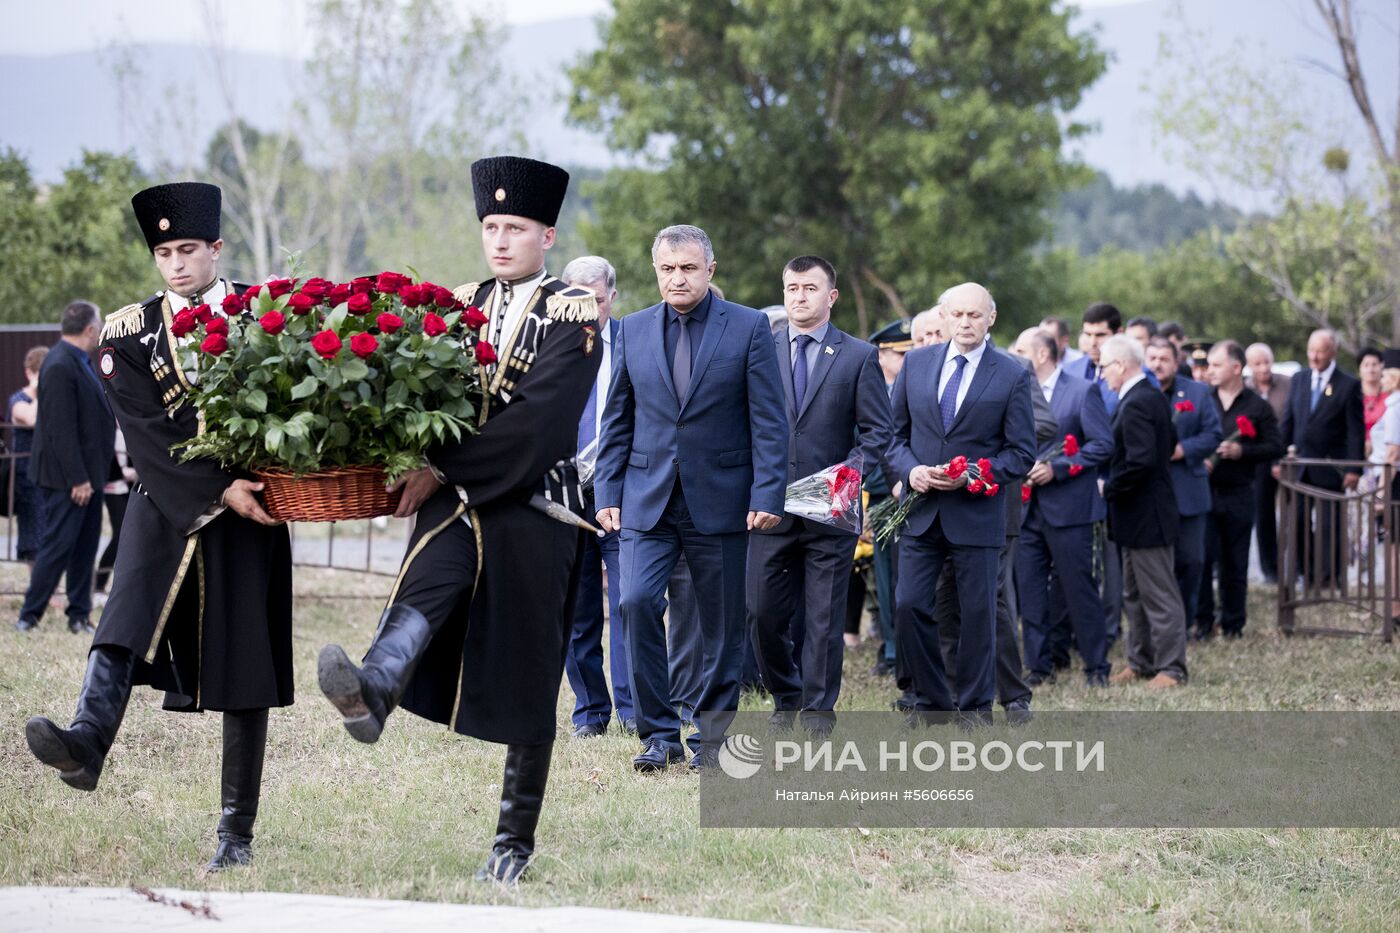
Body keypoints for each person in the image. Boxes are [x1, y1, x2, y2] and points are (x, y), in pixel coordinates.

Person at [317, 156, 601, 884]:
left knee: (532, 675)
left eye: (515, 227)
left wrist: (443, 466)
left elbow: (541, 423)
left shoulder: (573, 311)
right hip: (458, 499)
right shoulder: (454, 302)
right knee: (426, 585)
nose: (500, 240)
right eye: (490, 226)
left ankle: (512, 841)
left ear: (548, 232)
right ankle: (374, 686)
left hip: (537, 507)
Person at [24, 181, 291, 873]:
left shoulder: (265, 313)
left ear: (216, 249)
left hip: (253, 504)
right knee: (123, 619)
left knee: (244, 667)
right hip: (164, 495)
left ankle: (236, 834)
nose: (176, 263)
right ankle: (86, 744)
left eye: (188, 249)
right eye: (164, 251)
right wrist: (215, 486)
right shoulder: (127, 330)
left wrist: (246, 484)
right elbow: (144, 433)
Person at [595, 224, 787, 772]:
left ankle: (712, 737)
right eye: (667, 269)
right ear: (656, 271)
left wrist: (767, 491)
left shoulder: (749, 328)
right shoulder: (631, 330)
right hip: (645, 498)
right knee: (633, 605)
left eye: (687, 268)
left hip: (723, 500)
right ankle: (658, 735)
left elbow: (769, 422)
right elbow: (618, 421)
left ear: (709, 270)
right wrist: (608, 490)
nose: (677, 278)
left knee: (722, 624)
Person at [747, 255, 891, 736]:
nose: (799, 296)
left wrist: (848, 477)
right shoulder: (759, 346)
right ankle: (785, 695)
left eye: (809, 288)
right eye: (791, 288)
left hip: (831, 509)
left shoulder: (858, 355)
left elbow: (877, 432)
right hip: (769, 506)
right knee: (762, 613)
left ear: (830, 296)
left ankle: (816, 713)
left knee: (825, 618)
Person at [886, 282, 1035, 721]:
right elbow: (894, 437)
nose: (965, 322)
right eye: (957, 315)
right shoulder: (915, 364)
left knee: (977, 615)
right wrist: (910, 470)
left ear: (991, 318)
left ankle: (974, 707)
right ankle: (931, 702)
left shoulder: (1012, 372)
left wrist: (970, 474)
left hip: (977, 514)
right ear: (944, 318)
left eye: (974, 315)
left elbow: (1021, 452)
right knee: (909, 604)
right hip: (921, 511)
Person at [558, 255, 633, 738]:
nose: (590, 314)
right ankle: (590, 712)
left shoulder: (635, 341)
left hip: (624, 492)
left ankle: (634, 709)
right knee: (576, 608)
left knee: (633, 603)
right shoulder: (546, 347)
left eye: (599, 303)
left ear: (613, 297)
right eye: (580, 303)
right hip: (564, 493)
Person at [1013, 327, 1114, 686]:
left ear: (1041, 354)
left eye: (1020, 349)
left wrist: (1057, 469)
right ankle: (1038, 667)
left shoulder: (1082, 390)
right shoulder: (1017, 391)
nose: (1013, 354)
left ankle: (1096, 666)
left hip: (1069, 509)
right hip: (1026, 510)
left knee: (1078, 588)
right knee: (1030, 590)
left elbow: (1102, 445)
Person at [15, 302, 115, 634]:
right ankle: (29, 616)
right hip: (67, 479)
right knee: (58, 545)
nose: (100, 329)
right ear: (89, 329)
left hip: (90, 474)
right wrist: (78, 479)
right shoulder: (59, 364)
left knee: (86, 545)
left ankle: (78, 614)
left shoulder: (79, 361)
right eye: (98, 324)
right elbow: (60, 429)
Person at [1100, 335, 1187, 689]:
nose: (1102, 373)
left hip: (1147, 513)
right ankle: (1141, 660)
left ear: (1120, 365)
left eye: (1104, 366)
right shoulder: (1144, 397)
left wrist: (1109, 486)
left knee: (1159, 594)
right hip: (1134, 516)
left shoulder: (1138, 401)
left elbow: (1142, 462)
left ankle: (1172, 668)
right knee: (1133, 594)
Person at [1196, 341, 1283, 639]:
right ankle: (1203, 622)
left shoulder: (1257, 406)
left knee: (1235, 561)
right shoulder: (1203, 399)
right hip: (1205, 491)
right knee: (1204, 559)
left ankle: (1233, 624)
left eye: (1216, 365)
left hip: (1239, 491)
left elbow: (1276, 445)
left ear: (1236, 368)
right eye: (1209, 365)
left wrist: (1242, 451)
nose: (1210, 371)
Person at [1145, 336, 1222, 632]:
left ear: (1177, 362)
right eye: (1152, 358)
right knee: (1157, 565)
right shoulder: (1140, 392)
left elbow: (1213, 434)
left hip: (1188, 489)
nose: (1157, 364)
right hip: (1151, 493)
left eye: (1164, 359)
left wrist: (1183, 450)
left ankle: (1186, 621)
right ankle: (1161, 626)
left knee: (1192, 561)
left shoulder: (1198, 393)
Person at [1277, 328, 1364, 588]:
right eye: (1311, 350)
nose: (1315, 357)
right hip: (1301, 466)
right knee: (1300, 521)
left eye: (1321, 351)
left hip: (1330, 466)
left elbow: (1355, 431)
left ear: (1333, 352)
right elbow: (1288, 422)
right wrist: (1278, 457)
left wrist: (1354, 468)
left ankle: (1327, 576)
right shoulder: (1300, 378)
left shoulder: (1347, 384)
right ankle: (1306, 572)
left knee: (1329, 525)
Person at [865, 319, 913, 679]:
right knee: (886, 578)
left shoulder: (914, 385)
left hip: (915, 491)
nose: (906, 358)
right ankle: (892, 648)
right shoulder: (872, 388)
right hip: (882, 496)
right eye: (900, 353)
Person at [1246, 343, 1291, 583]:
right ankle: (1269, 568)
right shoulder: (1246, 389)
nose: (1263, 368)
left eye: (1266, 362)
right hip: (1259, 458)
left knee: (1295, 513)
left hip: (1287, 454)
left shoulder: (1287, 384)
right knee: (1263, 514)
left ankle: (1298, 565)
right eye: (1257, 363)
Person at [8, 345, 49, 563]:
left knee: (51, 533)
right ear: (29, 373)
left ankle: (48, 590)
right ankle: (41, 589)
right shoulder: (19, 400)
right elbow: (32, 419)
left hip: (48, 474)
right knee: (33, 535)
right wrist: (38, 389)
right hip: (26, 478)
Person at [94, 428, 137, 594]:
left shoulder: (127, 427)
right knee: (120, 535)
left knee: (130, 535)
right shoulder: (109, 425)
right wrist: (122, 473)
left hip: (128, 487)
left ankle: (122, 585)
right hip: (112, 487)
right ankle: (99, 583)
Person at [1358, 347, 1386, 446]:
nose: (1370, 369)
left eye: (1374, 364)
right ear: (1360, 368)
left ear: (1382, 366)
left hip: (1383, 450)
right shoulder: (1352, 395)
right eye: (1366, 365)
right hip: (1357, 449)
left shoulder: (1390, 397)